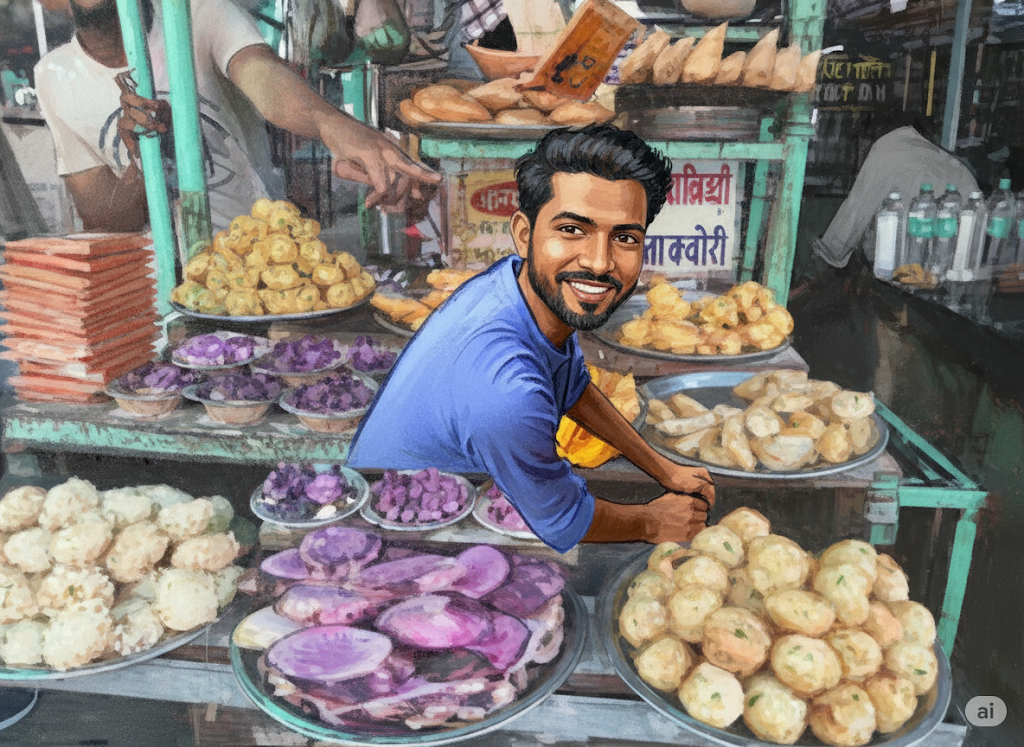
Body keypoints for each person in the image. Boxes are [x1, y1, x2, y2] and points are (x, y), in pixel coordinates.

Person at [348, 124, 715, 553]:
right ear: (524, 234)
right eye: (573, 230)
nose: (599, 262)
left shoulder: (518, 289)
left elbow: (573, 387)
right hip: (409, 536)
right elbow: (561, 520)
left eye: (625, 237)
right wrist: (654, 521)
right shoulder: (506, 390)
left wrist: (661, 468)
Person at [33, 0, 439, 232]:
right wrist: (146, 161)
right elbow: (104, 218)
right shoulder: (52, 75)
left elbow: (264, 77)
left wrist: (338, 128)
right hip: (148, 299)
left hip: (258, 264)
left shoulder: (198, 14)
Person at [813, 122, 980, 269]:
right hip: (953, 271)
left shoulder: (887, 148)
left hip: (903, 273)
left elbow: (847, 230)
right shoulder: (956, 169)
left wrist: (830, 255)